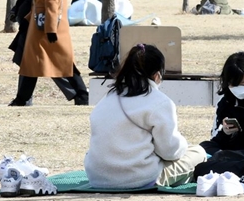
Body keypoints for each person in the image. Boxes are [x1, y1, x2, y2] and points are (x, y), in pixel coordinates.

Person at [84, 44, 207, 188]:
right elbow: (170, 152)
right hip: (139, 178)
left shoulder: (107, 98)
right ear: (157, 74)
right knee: (198, 152)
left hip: (97, 177)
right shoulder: (160, 102)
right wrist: (184, 144)